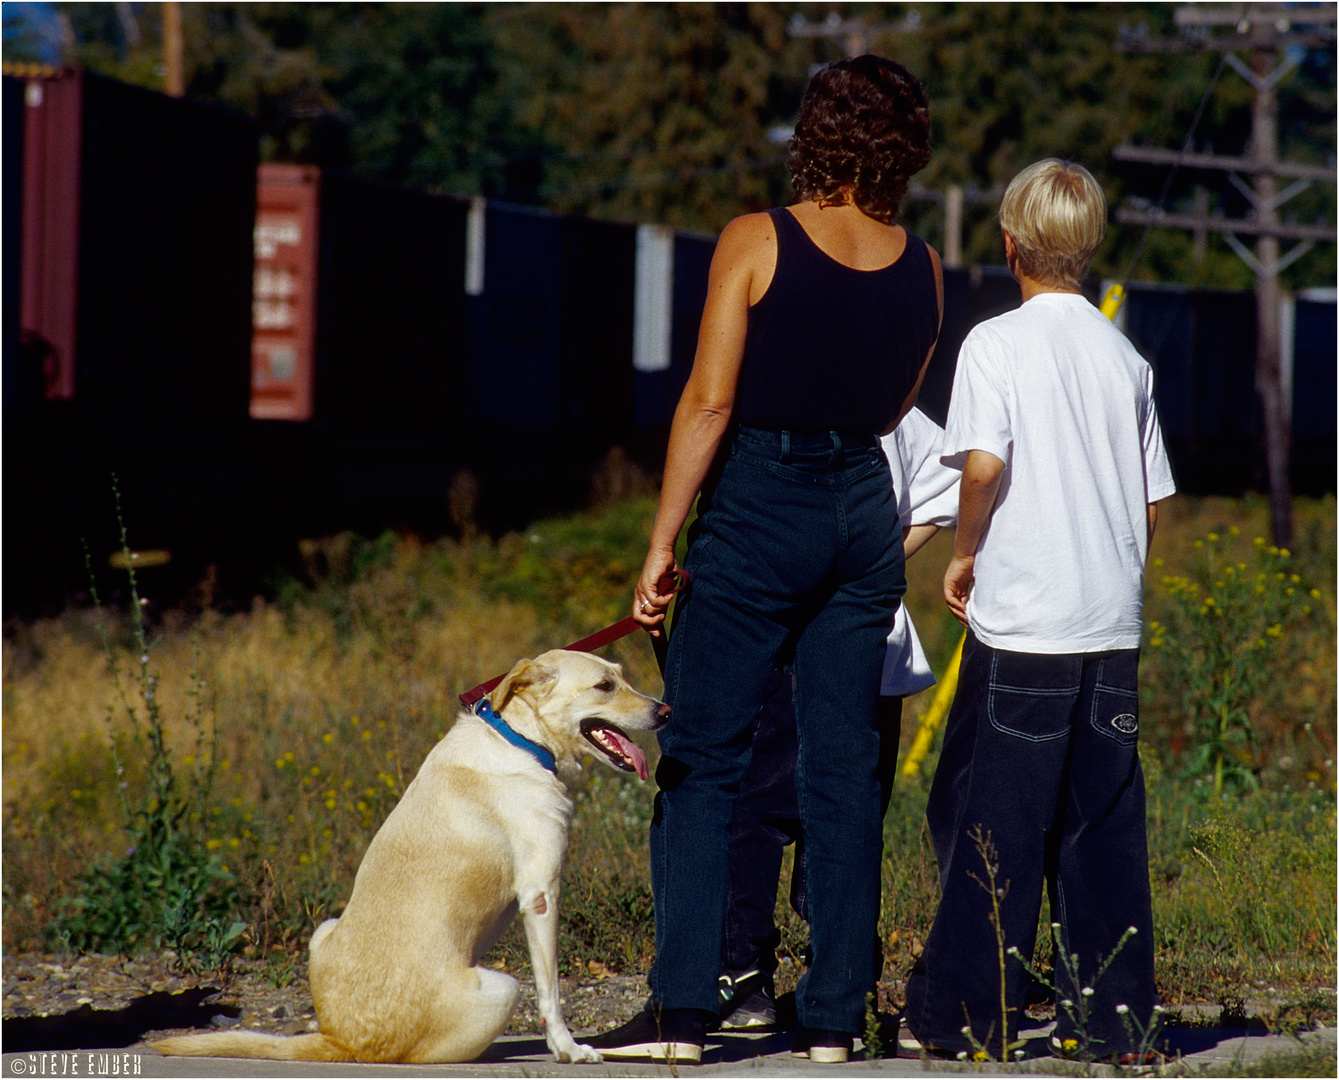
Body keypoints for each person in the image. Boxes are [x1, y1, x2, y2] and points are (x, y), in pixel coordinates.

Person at [587, 56, 943, 1065]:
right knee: (843, 772)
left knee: (703, 762)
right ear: (904, 148)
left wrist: (662, 542)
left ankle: (681, 1012)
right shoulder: (920, 265)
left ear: (815, 135)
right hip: (861, 510)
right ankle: (834, 1016)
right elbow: (894, 404)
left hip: (759, 501)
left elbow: (707, 402)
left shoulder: (757, 240)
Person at [901, 159, 1176, 1063]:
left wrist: (967, 555)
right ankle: (1115, 1023)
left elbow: (980, 468)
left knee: (989, 819)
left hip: (1024, 625)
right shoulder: (1123, 355)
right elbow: (1149, 502)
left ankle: (966, 1015)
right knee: (1100, 826)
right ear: (1088, 247)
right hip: (1109, 626)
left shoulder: (994, 344)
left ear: (1009, 242)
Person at [717, 408, 959, 1033]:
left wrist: (865, 568)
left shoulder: (814, 401)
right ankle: (842, 986)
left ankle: (748, 979)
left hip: (803, 637)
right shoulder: (888, 400)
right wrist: (876, 565)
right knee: (847, 811)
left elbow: (954, 483)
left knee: (762, 807)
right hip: (868, 638)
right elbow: (951, 483)